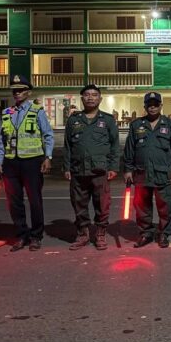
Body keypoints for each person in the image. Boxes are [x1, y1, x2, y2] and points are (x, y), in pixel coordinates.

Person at [0, 75, 54, 252]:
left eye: (21, 90)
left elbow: (48, 135)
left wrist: (48, 157)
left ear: (28, 92)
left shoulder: (37, 111)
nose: (17, 93)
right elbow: (1, 140)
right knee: (14, 202)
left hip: (32, 162)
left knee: (35, 200)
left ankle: (36, 236)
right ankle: (21, 235)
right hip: (10, 163)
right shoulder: (6, 113)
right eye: (15, 90)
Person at [63, 84, 120, 251]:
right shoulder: (73, 120)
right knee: (78, 203)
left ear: (100, 99)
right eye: (87, 95)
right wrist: (66, 167)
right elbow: (67, 145)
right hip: (78, 169)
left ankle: (100, 234)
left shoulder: (107, 120)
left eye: (94, 95)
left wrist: (114, 167)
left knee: (102, 204)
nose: (90, 97)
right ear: (82, 99)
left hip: (100, 170)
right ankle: (83, 234)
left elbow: (115, 145)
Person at [123, 92, 171, 248]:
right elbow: (129, 149)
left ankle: (164, 234)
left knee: (165, 206)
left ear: (161, 106)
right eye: (149, 105)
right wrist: (128, 169)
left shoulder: (170, 125)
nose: (152, 107)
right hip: (141, 173)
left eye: (155, 105)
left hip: (163, 173)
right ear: (145, 106)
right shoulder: (136, 125)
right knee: (142, 206)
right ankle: (145, 233)